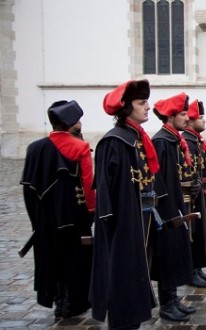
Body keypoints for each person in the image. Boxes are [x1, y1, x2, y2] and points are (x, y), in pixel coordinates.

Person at [91, 79, 158, 329]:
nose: (147, 107)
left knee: (135, 278)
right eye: (142, 103)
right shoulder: (114, 142)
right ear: (126, 108)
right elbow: (106, 196)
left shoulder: (137, 138)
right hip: (121, 225)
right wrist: (113, 229)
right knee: (122, 280)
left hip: (138, 219)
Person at [21, 100, 94, 319]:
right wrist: (91, 212)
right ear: (73, 124)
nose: (80, 123)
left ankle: (59, 300)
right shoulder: (80, 147)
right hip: (74, 216)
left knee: (52, 258)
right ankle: (73, 302)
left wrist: (36, 220)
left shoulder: (34, 148)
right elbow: (88, 185)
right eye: (78, 120)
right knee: (76, 260)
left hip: (45, 219)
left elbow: (28, 188)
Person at [151, 92, 196, 322]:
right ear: (170, 117)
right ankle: (166, 304)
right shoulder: (161, 141)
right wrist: (165, 206)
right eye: (182, 114)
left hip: (176, 202)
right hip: (165, 207)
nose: (187, 117)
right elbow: (156, 176)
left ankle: (173, 298)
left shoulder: (173, 139)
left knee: (176, 250)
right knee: (167, 253)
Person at [183, 99, 206, 287]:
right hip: (194, 194)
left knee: (200, 234)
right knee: (194, 233)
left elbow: (201, 166)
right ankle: (192, 270)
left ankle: (197, 268)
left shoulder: (196, 140)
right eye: (201, 117)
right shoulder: (188, 142)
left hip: (203, 192)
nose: (204, 121)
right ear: (190, 121)